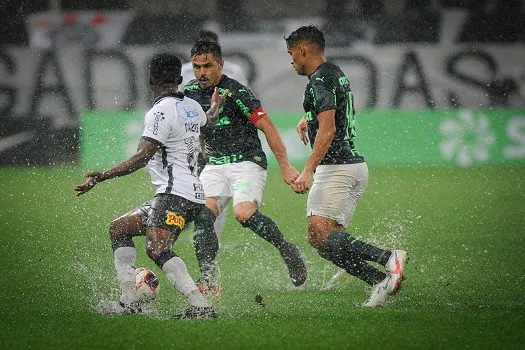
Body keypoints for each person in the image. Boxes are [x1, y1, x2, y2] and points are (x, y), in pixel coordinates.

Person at [74, 53, 228, 319]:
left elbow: (142, 157)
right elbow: (208, 121)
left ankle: (200, 306)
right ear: (180, 79)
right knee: (119, 229)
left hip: (175, 194)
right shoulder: (191, 105)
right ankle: (129, 301)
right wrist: (214, 107)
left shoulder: (159, 111)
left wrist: (103, 176)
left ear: (151, 80)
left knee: (157, 249)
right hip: (187, 194)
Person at [284, 25, 408, 307]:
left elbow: (327, 131)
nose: (291, 61)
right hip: (353, 166)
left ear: (303, 50)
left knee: (319, 234)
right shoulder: (333, 72)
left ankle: (388, 258)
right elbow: (336, 112)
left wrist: (307, 170)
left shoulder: (319, 81)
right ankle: (380, 281)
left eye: (292, 54)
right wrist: (309, 118)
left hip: (336, 168)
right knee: (325, 241)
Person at [184, 38, 307, 291]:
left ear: (220, 64)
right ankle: (207, 278)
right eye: (197, 67)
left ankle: (287, 249)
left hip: (246, 162)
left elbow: (268, 126)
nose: (201, 73)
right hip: (215, 165)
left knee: (243, 214)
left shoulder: (237, 92)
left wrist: (285, 166)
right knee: (203, 216)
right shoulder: (190, 93)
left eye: (207, 66)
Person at [181, 29, 248, 248]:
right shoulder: (184, 72)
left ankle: (211, 237)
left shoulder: (234, 71)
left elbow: (246, 99)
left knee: (217, 189)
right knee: (188, 187)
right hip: (191, 141)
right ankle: (181, 226)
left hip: (224, 141)